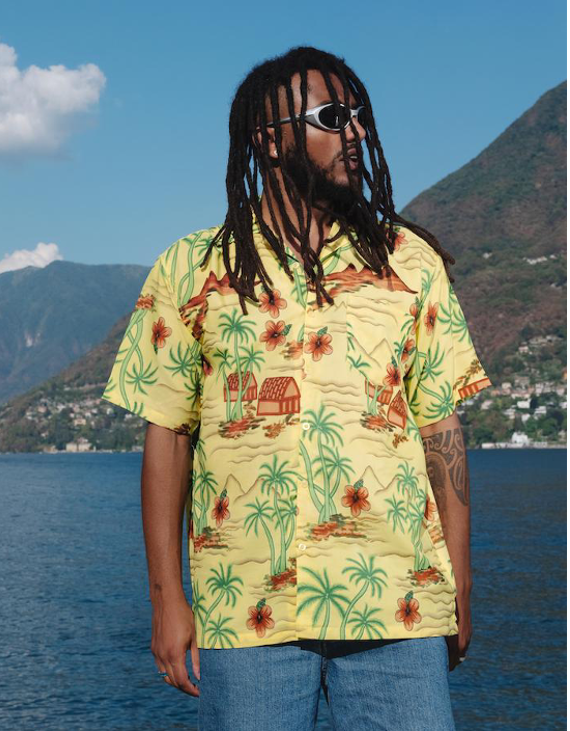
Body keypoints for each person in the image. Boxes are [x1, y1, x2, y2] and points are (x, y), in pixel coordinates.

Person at [103, 46, 490, 730]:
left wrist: (457, 580)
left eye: (360, 116)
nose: (356, 132)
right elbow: (168, 434)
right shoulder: (191, 268)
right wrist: (167, 599)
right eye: (333, 117)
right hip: (246, 609)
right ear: (267, 136)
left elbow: (440, 428)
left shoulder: (409, 262)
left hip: (399, 604)